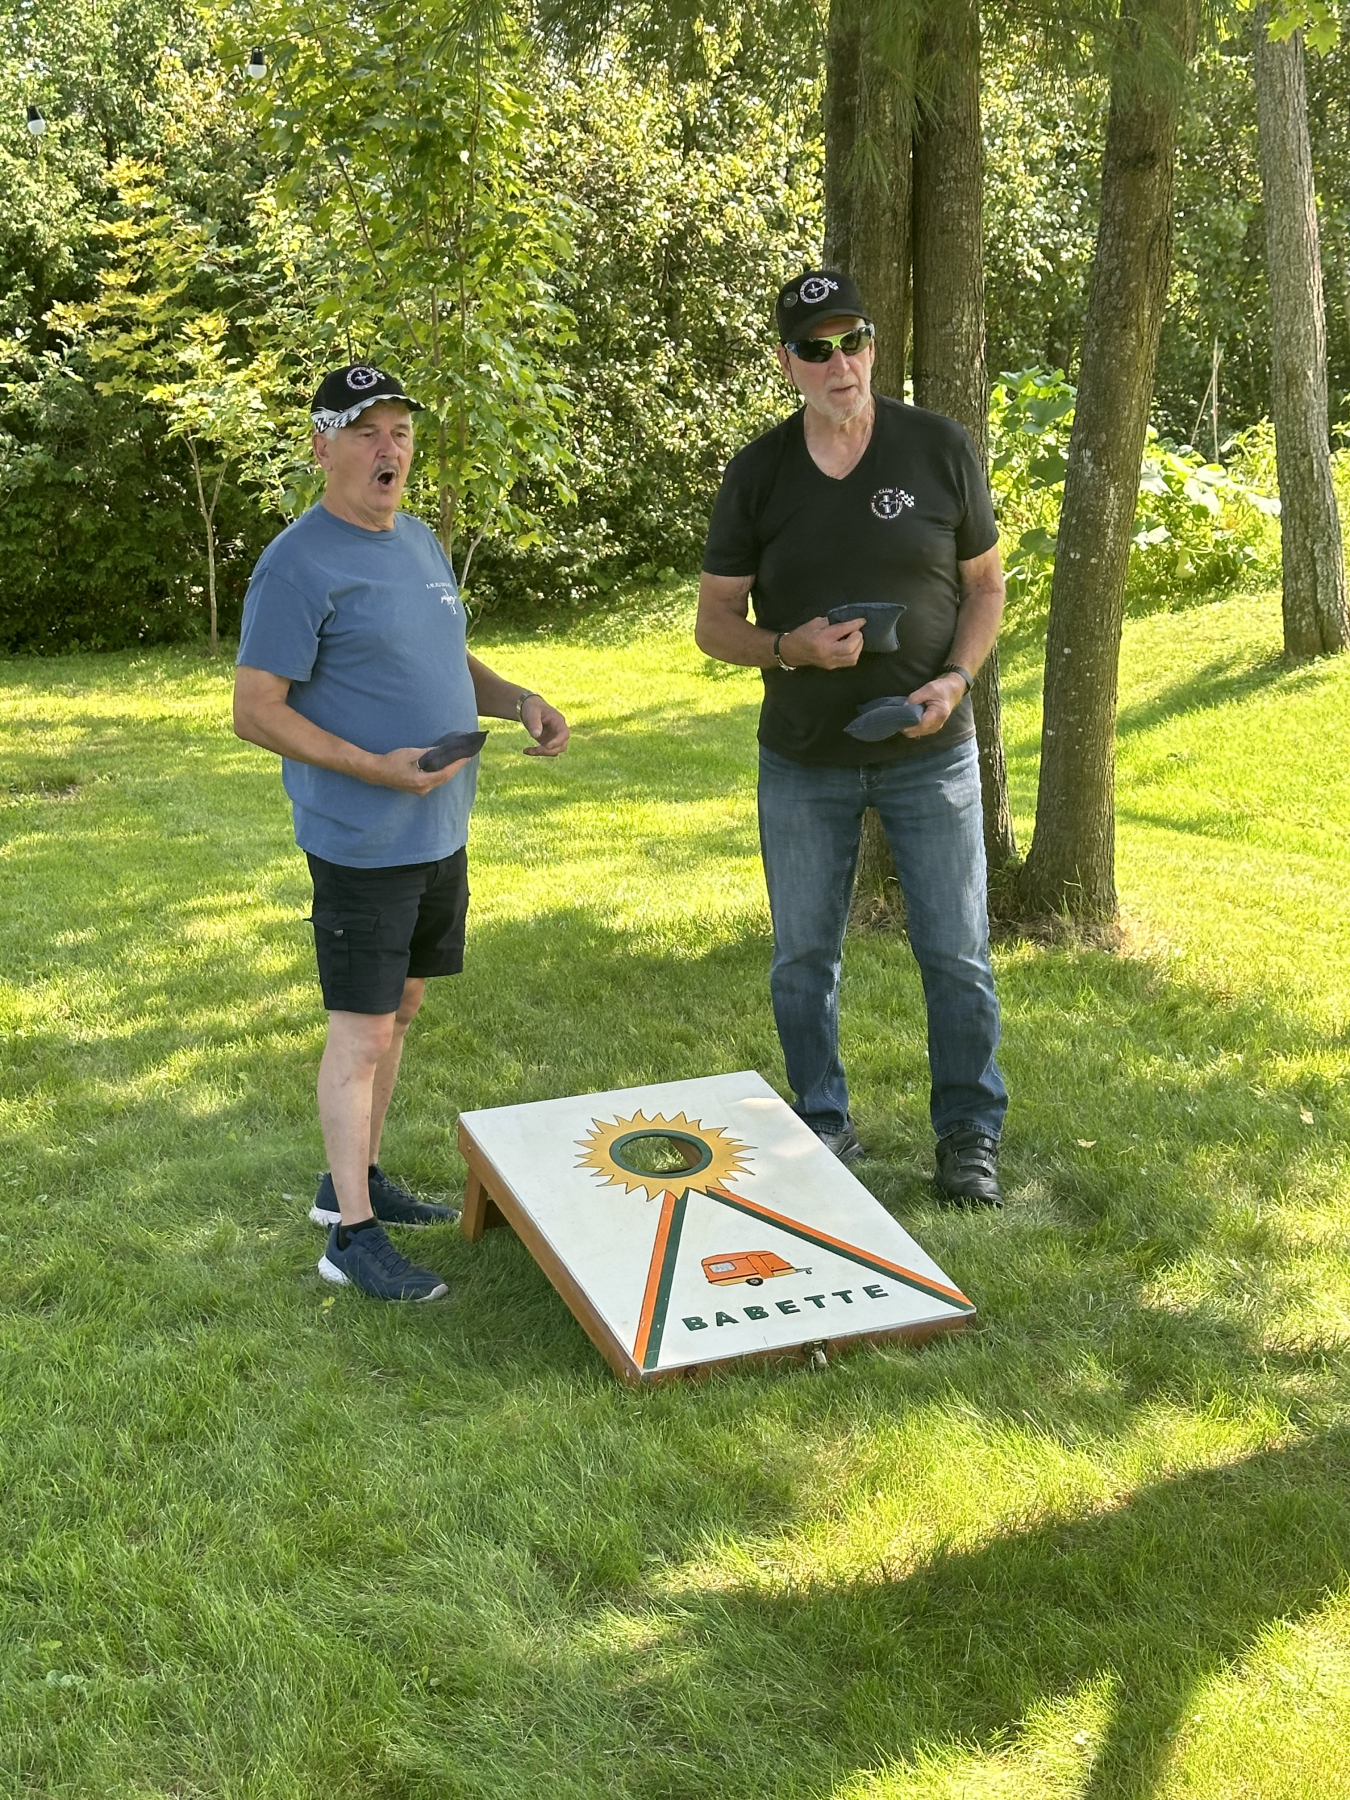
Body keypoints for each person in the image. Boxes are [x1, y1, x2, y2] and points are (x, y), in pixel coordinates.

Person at [233, 363, 569, 1298]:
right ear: (322, 446)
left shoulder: (418, 540)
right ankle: (350, 1236)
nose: (390, 448)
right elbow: (255, 711)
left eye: (401, 432)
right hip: (362, 838)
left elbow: (445, 656)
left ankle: (355, 1179)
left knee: (402, 1010)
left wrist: (519, 700)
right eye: (366, 431)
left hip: (438, 834)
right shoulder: (297, 564)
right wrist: (372, 767)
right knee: (362, 1031)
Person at [696, 270, 1007, 1205]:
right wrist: (787, 649)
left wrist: (955, 680)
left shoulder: (938, 447)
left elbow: (986, 586)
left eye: (854, 340)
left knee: (956, 953)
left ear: (874, 344)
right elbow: (714, 622)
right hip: (804, 758)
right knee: (803, 958)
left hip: (931, 753)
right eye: (816, 348)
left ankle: (968, 1134)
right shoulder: (758, 473)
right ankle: (823, 1122)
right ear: (787, 362)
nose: (841, 363)